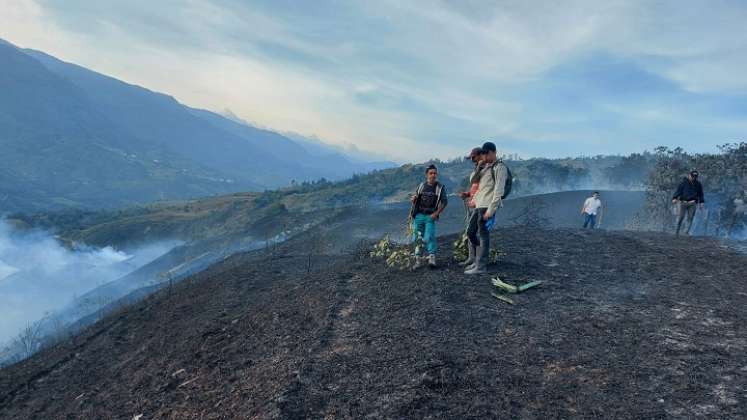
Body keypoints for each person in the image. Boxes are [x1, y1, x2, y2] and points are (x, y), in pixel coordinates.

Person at [465, 142, 508, 275]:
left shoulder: (500, 167)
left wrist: (491, 210)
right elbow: (474, 181)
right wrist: (479, 167)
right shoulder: (486, 167)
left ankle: (481, 266)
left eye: (486, 153)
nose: (484, 156)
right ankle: (478, 261)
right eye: (483, 154)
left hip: (486, 206)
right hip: (479, 205)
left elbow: (498, 191)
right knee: (470, 232)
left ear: (493, 152)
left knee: (484, 236)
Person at [410, 164, 448, 268]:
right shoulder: (422, 186)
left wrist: (436, 214)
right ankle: (418, 259)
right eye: (431, 173)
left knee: (429, 236)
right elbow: (415, 199)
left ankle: (432, 258)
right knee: (416, 237)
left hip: (430, 216)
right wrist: (413, 200)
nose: (433, 175)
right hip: (419, 215)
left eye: (435, 173)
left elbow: (444, 202)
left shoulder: (440, 188)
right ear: (426, 174)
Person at [458, 147, 485, 267]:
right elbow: (476, 188)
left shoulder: (485, 170)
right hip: (473, 204)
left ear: (480, 155)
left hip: (480, 205)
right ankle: (472, 257)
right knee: (470, 232)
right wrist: (468, 194)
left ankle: (479, 259)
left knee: (473, 232)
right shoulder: (477, 170)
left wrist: (479, 167)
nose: (472, 160)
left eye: (473, 157)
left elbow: (485, 189)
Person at [672, 170, 705, 236]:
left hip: (692, 203)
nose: (694, 178)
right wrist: (674, 198)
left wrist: (701, 202)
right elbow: (678, 191)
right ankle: (676, 232)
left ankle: (686, 232)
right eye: (693, 176)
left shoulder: (698, 184)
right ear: (689, 175)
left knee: (690, 218)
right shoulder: (683, 183)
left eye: (695, 176)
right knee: (680, 217)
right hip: (682, 202)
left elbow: (700, 194)